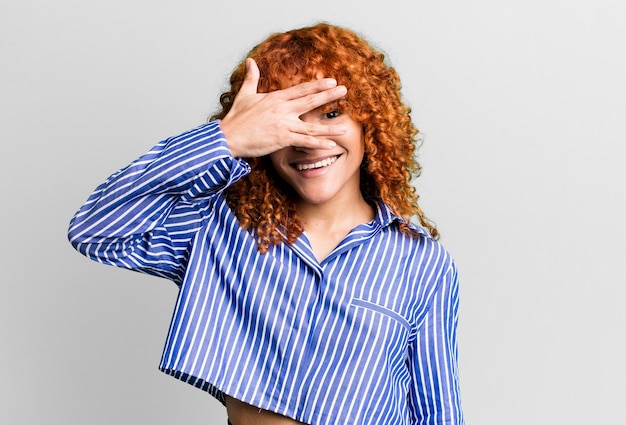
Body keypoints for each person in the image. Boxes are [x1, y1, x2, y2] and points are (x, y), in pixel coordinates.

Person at [68, 22, 463, 425]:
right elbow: (97, 230)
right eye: (288, 119)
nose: (309, 140)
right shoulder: (216, 227)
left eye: (331, 113)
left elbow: (438, 409)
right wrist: (227, 138)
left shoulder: (422, 264)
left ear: (370, 124)